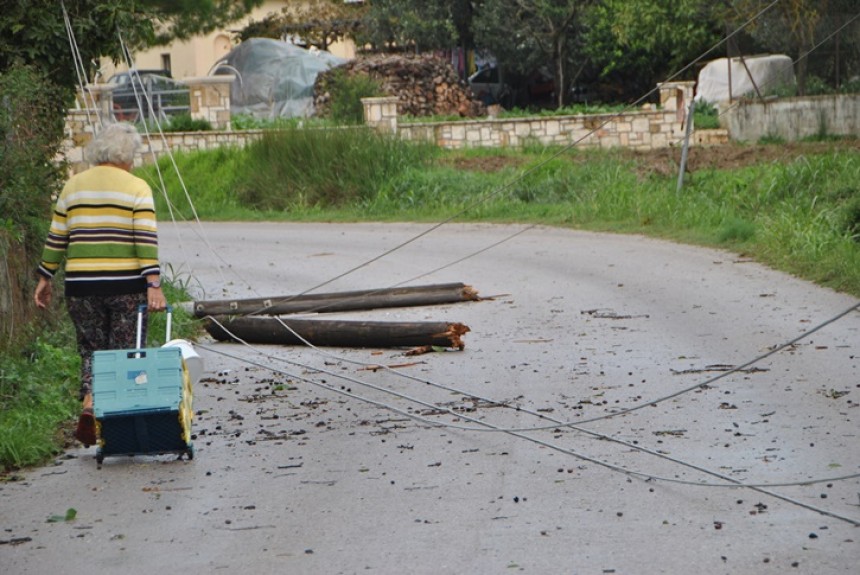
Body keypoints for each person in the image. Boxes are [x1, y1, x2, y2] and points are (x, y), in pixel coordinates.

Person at [34, 122, 167, 446]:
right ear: (125, 155)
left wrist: (45, 277)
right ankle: (122, 430)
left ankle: (91, 405)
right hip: (126, 288)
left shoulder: (72, 187)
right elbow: (145, 240)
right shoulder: (136, 188)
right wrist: (153, 284)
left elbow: (57, 238)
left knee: (91, 352)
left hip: (81, 287)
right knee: (125, 353)